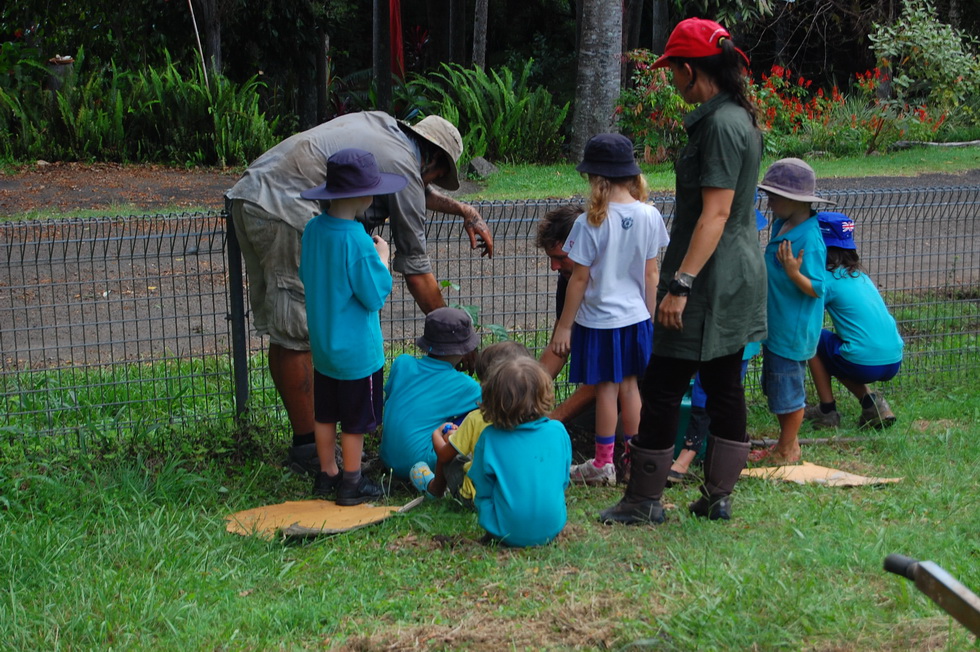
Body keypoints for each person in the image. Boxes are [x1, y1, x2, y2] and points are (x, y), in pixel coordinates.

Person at [225, 111, 494, 475]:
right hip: (284, 206)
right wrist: (458, 342)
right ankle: (311, 454)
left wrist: (462, 208)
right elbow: (416, 273)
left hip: (256, 194)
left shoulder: (385, 130)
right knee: (293, 333)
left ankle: (311, 445)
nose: (431, 184)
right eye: (436, 177)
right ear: (434, 161)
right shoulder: (402, 163)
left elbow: (414, 186)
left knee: (288, 327)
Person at [599, 17, 765, 524]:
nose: (672, 81)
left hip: (709, 279)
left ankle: (643, 500)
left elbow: (714, 214)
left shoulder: (717, 125)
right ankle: (718, 497)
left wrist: (680, 285)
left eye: (673, 71)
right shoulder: (741, 116)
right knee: (724, 382)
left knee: (665, 382)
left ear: (692, 71)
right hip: (738, 271)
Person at [549, 133, 669, 488]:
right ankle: (635, 459)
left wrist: (564, 327)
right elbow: (651, 273)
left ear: (596, 179)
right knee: (630, 387)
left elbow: (579, 279)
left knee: (605, 390)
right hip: (636, 319)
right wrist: (648, 320)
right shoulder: (650, 215)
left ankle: (603, 463)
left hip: (598, 321)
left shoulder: (590, 222)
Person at [297, 148, 404, 504]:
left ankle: (327, 474)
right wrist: (383, 258)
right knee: (355, 420)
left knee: (325, 413)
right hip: (358, 353)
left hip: (325, 348)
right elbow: (374, 294)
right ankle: (352, 482)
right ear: (361, 195)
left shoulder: (313, 230)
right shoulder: (357, 239)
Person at [668, 208, 768, 484]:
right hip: (721, 336)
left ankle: (688, 456)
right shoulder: (735, 256)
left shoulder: (738, 261)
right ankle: (718, 457)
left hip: (730, 338)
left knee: (711, 394)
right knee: (719, 393)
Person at [748, 158, 831, 465]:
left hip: (793, 330)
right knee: (776, 386)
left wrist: (794, 272)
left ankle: (787, 449)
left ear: (796, 200)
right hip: (778, 323)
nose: (767, 202)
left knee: (788, 391)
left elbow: (819, 287)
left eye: (773, 196)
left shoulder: (809, 237)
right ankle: (787, 444)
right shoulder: (785, 226)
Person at [804, 212, 903, 429]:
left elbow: (807, 316)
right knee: (839, 352)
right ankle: (873, 404)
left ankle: (827, 411)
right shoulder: (860, 276)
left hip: (863, 361)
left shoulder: (826, 279)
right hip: (894, 358)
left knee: (813, 338)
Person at [409, 340, 534, 504]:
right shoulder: (537, 421)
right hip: (519, 494)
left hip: (477, 497)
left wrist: (438, 434)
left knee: (449, 441)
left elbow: (444, 454)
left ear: (487, 385)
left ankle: (434, 489)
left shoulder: (477, 419)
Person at [469, 356, 572, 547]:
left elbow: (481, 485)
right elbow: (563, 479)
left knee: (486, 493)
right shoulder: (558, 431)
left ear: (492, 399)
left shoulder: (489, 437)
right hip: (553, 526)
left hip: (503, 531)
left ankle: (497, 530)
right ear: (544, 393)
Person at [380, 307, 482, 480]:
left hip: (387, 459)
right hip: (425, 462)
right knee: (478, 413)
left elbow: (390, 398)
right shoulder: (465, 386)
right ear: (465, 350)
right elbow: (496, 404)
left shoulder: (402, 363)